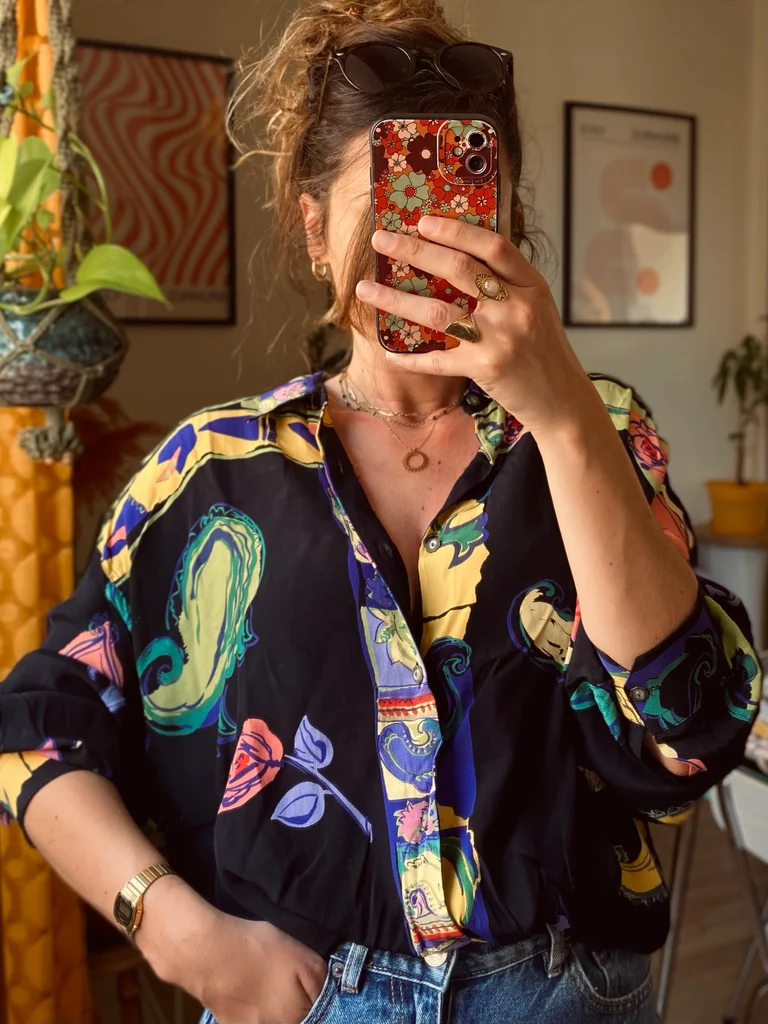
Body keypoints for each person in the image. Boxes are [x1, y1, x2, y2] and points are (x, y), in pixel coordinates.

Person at [0, 1, 761, 1022]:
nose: (432, 243)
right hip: (303, 996)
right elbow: (38, 724)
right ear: (317, 229)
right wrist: (173, 927)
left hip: (560, 992)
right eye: (398, 204)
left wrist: (566, 418)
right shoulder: (209, 470)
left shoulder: (598, 428)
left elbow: (690, 738)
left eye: (465, 205)